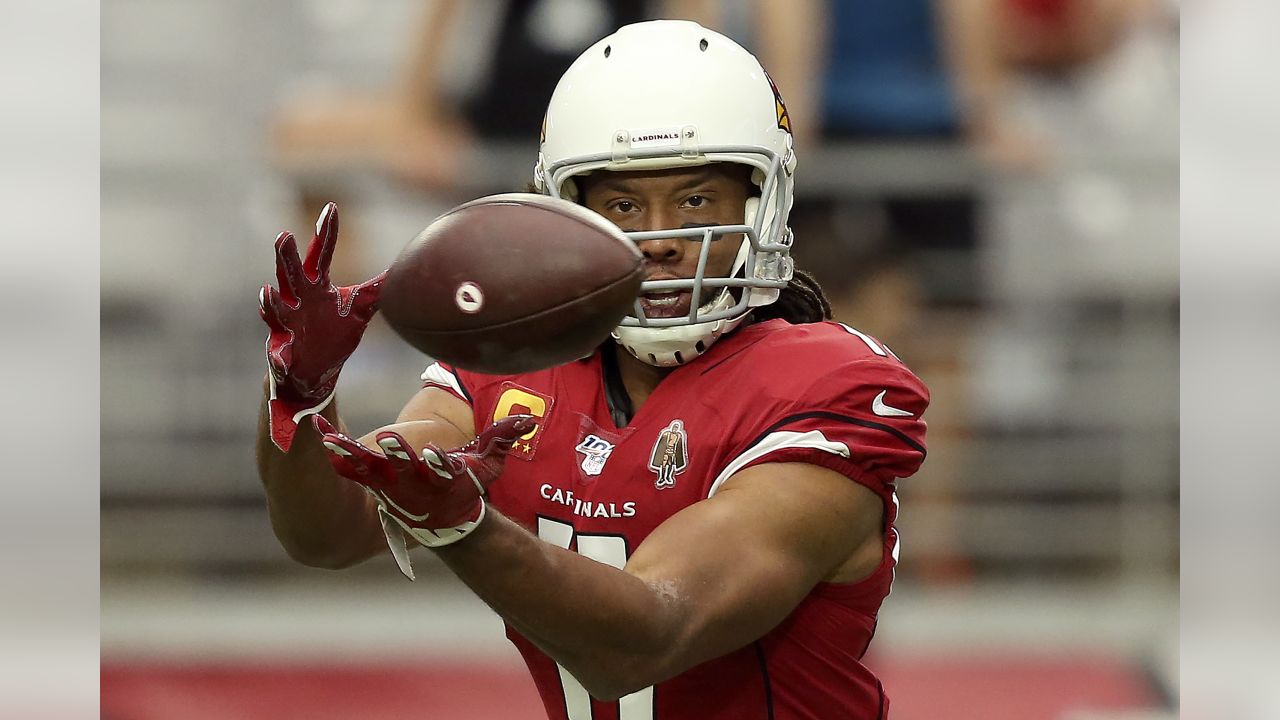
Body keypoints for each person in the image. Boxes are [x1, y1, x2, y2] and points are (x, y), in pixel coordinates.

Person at [257, 20, 929, 720]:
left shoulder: (828, 387)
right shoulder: (510, 371)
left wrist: (464, 527)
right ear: (564, 214)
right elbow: (327, 532)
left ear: (762, 204)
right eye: (623, 204)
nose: (661, 238)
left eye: (697, 200)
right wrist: (300, 393)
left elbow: (646, 637)